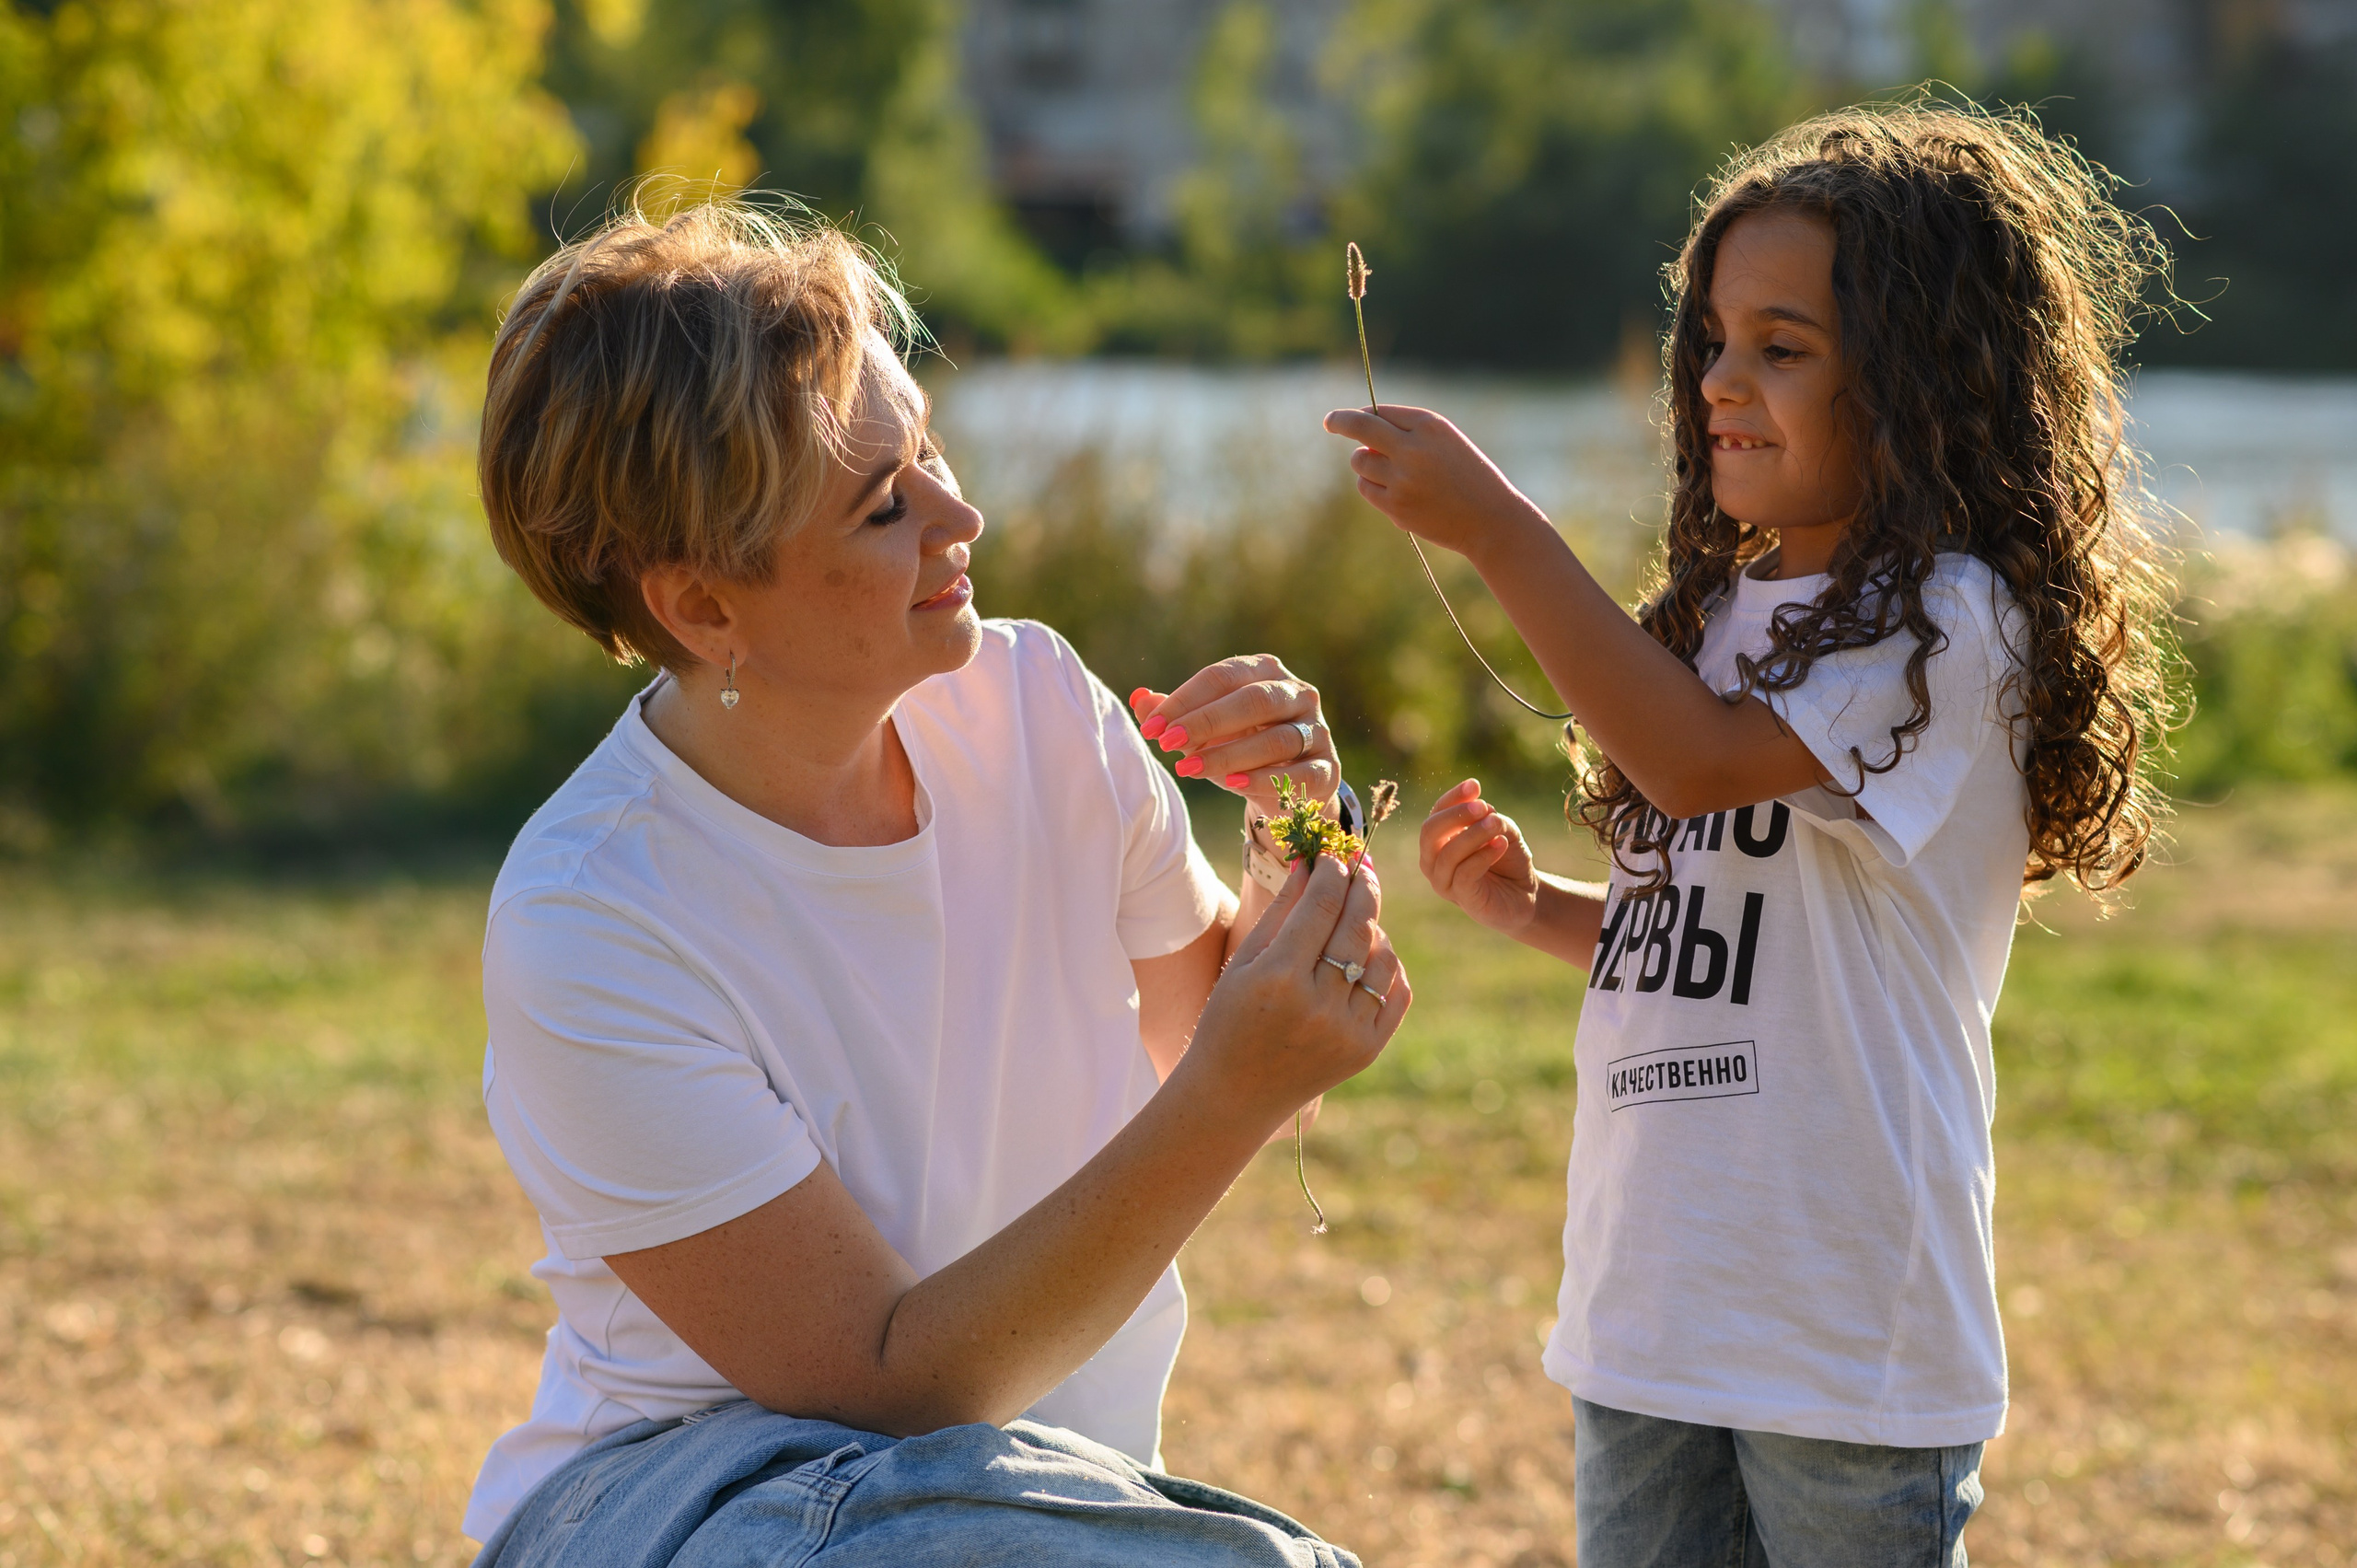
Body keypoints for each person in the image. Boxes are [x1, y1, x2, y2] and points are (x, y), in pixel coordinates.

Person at [459, 201, 1409, 1566]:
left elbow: (1256, 1059)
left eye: (932, 449)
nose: (963, 516)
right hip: (689, 1507)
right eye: (885, 503)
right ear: (705, 607)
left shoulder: (1035, 702)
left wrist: (1297, 836)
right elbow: (885, 1383)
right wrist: (1232, 1087)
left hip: (1017, 1502)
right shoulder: (591, 919)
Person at [1324, 102, 2175, 1566]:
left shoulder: (1944, 622)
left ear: (1919, 387)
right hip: (1654, 1306)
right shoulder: (1718, 620)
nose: (1721, 381)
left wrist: (1506, 532)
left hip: (1845, 1329)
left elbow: (1701, 766)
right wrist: (1545, 910)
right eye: (1712, 340)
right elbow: (1735, 922)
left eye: (1783, 348)